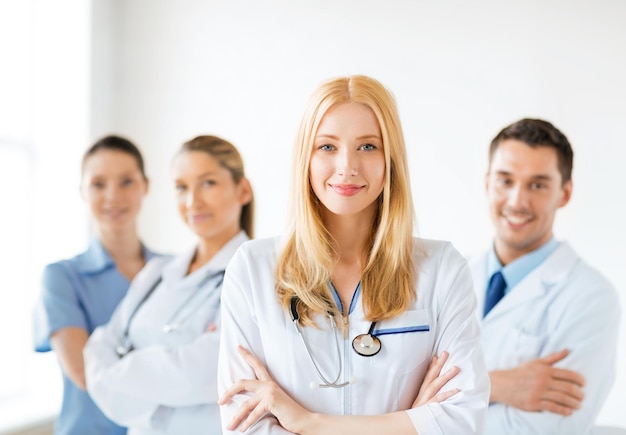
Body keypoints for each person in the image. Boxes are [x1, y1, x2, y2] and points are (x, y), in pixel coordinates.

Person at [217, 75, 490, 434]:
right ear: (306, 158)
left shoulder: (442, 269)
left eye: (367, 146)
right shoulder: (252, 268)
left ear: (390, 157)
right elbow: (245, 426)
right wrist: (413, 423)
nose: (347, 166)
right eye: (327, 147)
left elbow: (462, 419)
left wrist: (307, 422)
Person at [83, 135, 254, 435]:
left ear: (243, 190)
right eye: (181, 187)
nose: (192, 201)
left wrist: (122, 371)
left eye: (208, 183)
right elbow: (98, 347)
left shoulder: (257, 278)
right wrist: (163, 378)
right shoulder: (157, 272)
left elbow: (201, 373)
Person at [470, 118, 620, 434]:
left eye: (537, 185)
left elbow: (547, 429)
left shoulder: (591, 298)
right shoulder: (449, 276)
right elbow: (398, 395)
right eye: (505, 180)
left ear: (564, 193)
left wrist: (438, 413)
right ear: (487, 182)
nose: (516, 202)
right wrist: (495, 385)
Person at [33, 135, 157, 435]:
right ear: (82, 192)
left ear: (145, 186)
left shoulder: (173, 272)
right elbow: (85, 372)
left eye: (126, 181)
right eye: (98, 184)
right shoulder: (61, 277)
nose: (113, 196)